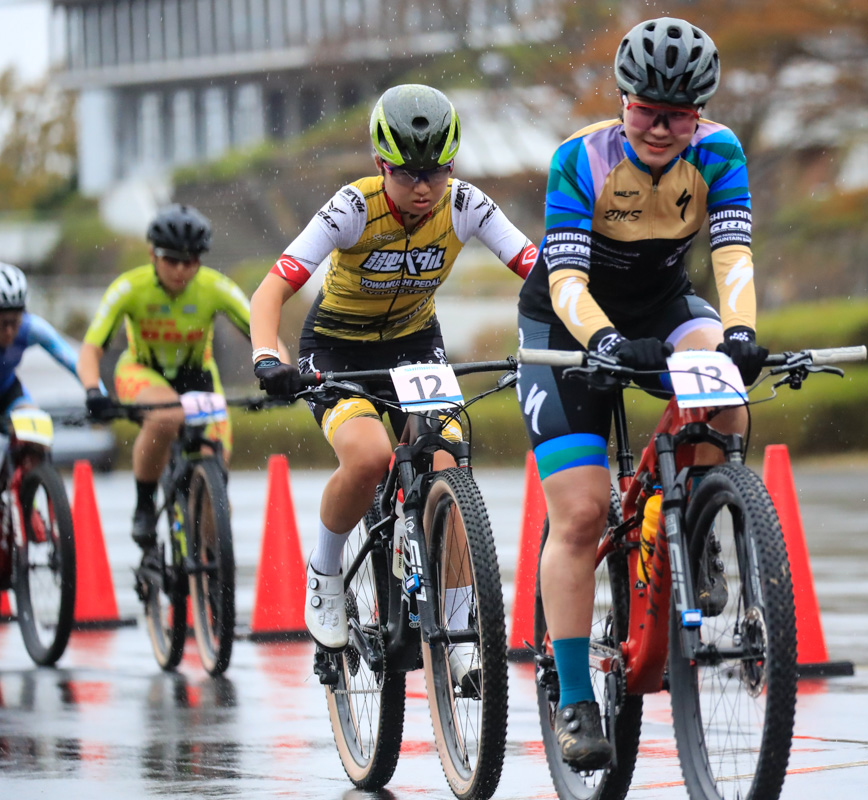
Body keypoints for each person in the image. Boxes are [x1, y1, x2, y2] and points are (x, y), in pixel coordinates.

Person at [515, 17, 770, 770]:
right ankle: (573, 699)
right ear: (624, 100)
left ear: (700, 113)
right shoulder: (579, 159)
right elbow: (563, 278)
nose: (660, 127)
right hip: (568, 325)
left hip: (662, 307)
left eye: (679, 112)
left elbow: (732, 253)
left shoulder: (719, 153)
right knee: (584, 511)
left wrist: (743, 331)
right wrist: (600, 341)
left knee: (726, 391)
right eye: (646, 109)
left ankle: (700, 514)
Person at [248, 84, 537, 677]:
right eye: (407, 174)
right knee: (369, 458)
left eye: (436, 171)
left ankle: (457, 637)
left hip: (414, 345)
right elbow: (271, 290)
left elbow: (537, 270)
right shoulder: (351, 208)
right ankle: (326, 573)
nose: (424, 187)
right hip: (338, 350)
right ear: (382, 166)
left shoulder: (466, 205)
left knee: (448, 466)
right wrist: (264, 359)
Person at [77, 204, 270, 551]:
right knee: (166, 417)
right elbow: (91, 349)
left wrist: (279, 372)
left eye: (191, 260)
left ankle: (207, 574)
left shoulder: (215, 287)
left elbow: (264, 335)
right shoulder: (129, 288)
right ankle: (145, 505)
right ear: (152, 254)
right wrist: (94, 390)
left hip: (198, 379)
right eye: (171, 260)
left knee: (217, 485)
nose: (182, 269)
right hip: (142, 373)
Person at [0, 262, 87, 421]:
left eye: (14, 322)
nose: (9, 331)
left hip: (7, 392)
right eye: (3, 323)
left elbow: (75, 363)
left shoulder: (31, 328)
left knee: (36, 435)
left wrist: (97, 393)